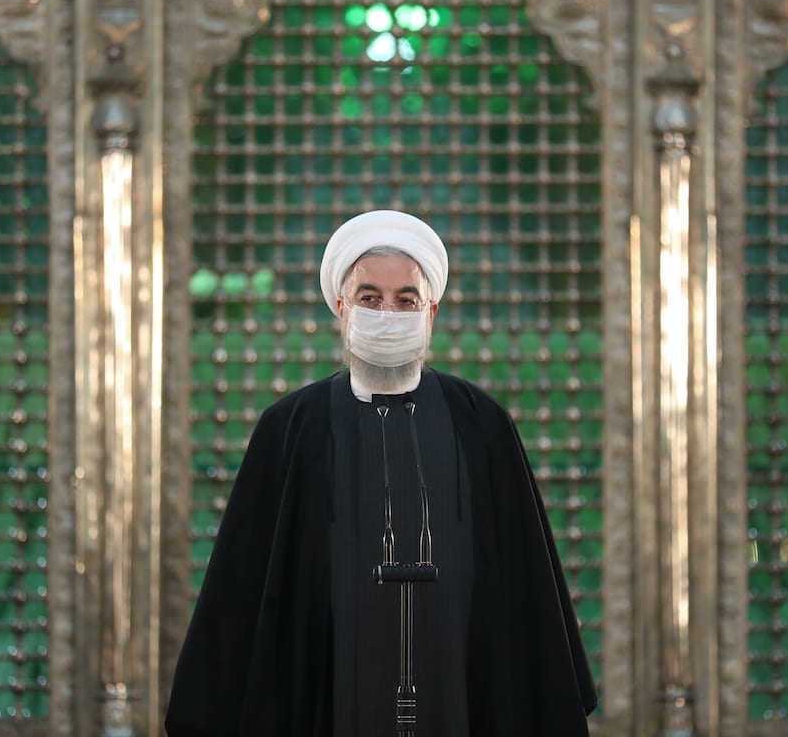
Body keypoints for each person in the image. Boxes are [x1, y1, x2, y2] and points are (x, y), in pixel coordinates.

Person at [165, 210, 598, 736]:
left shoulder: (481, 424)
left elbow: (526, 591)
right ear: (342, 308)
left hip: (462, 699)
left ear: (431, 311)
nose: (387, 313)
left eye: (405, 300)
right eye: (370, 298)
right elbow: (247, 592)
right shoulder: (290, 426)